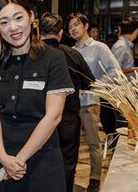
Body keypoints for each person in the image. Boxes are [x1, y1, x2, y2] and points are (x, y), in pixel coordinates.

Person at [0, 0, 74, 192]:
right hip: (3, 155)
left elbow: (54, 116)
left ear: (31, 17)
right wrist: (2, 157)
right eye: (4, 22)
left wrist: (18, 161)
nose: (13, 27)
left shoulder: (54, 58)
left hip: (42, 157)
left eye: (19, 18)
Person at [39, 12, 95, 192]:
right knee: (68, 160)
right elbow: (90, 82)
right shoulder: (72, 54)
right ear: (61, 32)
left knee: (39, 157)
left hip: (38, 117)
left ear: (39, 31)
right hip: (68, 117)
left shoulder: (31, 54)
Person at [68, 13, 120, 192]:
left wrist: (96, 85)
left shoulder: (99, 47)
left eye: (76, 24)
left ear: (86, 25)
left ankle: (95, 178)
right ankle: (70, 176)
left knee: (93, 143)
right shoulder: (71, 50)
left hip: (89, 103)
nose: (73, 29)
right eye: (70, 27)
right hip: (72, 105)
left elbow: (115, 70)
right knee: (72, 143)